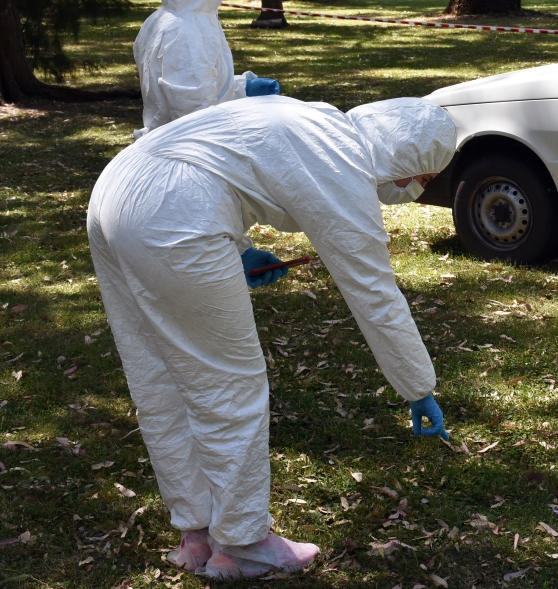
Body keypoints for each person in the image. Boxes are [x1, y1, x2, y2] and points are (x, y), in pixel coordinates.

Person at [87, 95, 456, 579]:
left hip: (114, 191)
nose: (412, 190)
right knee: (228, 384)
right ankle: (241, 542)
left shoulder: (318, 121)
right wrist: (418, 386)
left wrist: (236, 249)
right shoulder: (341, 160)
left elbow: (215, 162)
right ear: (407, 159)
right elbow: (373, 290)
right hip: (172, 213)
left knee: (158, 374)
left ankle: (196, 531)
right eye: (423, 178)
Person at [133, 0, 280, 139]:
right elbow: (196, 118)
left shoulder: (167, 20)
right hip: (191, 155)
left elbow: (203, 88)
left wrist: (242, 87)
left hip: (179, 144)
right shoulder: (183, 32)